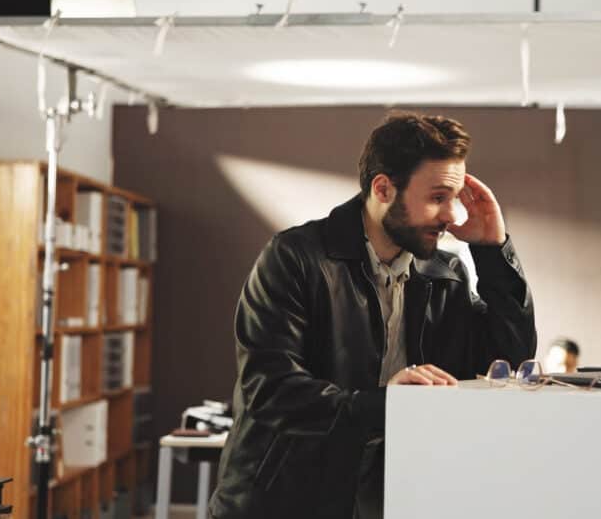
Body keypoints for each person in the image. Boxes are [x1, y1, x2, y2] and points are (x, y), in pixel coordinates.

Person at [208, 112, 536, 519]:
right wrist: (387, 404)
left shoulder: (444, 273)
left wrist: (494, 250)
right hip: (283, 501)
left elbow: (508, 363)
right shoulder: (295, 257)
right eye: (437, 197)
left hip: (389, 498)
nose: (453, 215)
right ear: (383, 188)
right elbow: (270, 391)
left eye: (454, 198)